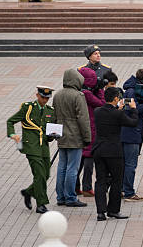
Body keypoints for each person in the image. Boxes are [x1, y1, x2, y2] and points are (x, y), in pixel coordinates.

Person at [7, 86, 57, 214]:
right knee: (39, 174)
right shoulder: (28, 108)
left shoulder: (50, 111)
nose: (45, 100)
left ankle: (28, 192)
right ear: (37, 95)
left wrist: (53, 135)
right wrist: (13, 135)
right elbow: (10, 121)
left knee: (46, 175)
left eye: (47, 98)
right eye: (43, 97)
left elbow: (49, 132)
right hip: (31, 147)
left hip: (44, 147)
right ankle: (41, 204)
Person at [92, 87, 138, 221]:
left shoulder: (97, 111)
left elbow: (110, 117)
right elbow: (133, 123)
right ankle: (113, 210)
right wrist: (133, 109)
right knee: (117, 181)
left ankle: (100, 212)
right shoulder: (118, 114)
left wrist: (118, 109)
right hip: (114, 152)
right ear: (116, 99)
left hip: (99, 150)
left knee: (100, 181)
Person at [53, 69, 91, 207]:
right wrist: (87, 137)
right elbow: (83, 119)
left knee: (62, 167)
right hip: (75, 137)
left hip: (61, 135)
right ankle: (70, 197)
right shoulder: (78, 95)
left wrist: (53, 134)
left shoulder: (57, 95)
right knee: (72, 169)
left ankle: (60, 196)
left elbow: (53, 116)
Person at [121, 69, 143, 201]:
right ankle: (129, 192)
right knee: (130, 164)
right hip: (131, 133)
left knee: (125, 163)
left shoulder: (132, 88)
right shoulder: (131, 91)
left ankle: (122, 189)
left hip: (129, 132)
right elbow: (130, 109)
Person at [75, 67, 105, 197]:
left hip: (79, 129)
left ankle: (75, 187)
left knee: (77, 160)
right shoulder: (87, 94)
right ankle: (86, 187)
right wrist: (100, 90)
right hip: (91, 129)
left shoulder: (78, 92)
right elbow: (102, 103)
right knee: (88, 158)